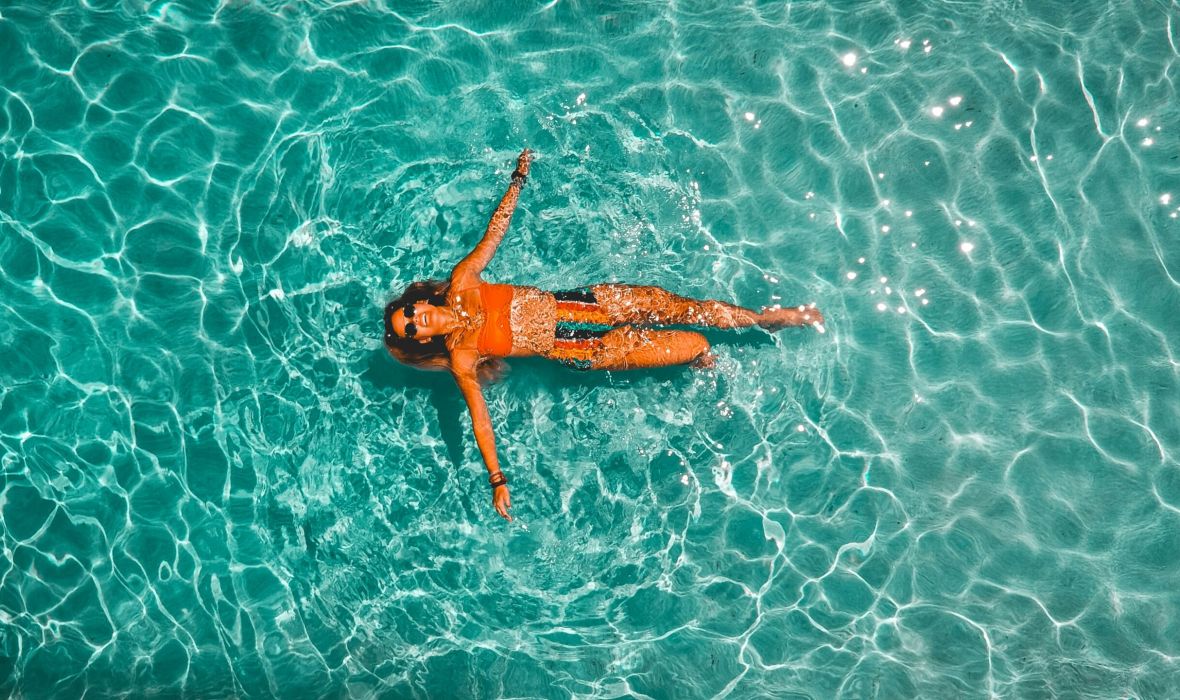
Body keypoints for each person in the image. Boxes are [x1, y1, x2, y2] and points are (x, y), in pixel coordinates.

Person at [384, 149, 823, 521]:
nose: (415, 321)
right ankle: (700, 357)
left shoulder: (463, 281)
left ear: (420, 302)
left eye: (410, 313)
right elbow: (480, 419)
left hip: (589, 302)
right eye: (410, 330)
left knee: (687, 309)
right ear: (419, 341)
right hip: (585, 347)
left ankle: (764, 320)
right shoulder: (462, 357)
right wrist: (497, 478)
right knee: (698, 344)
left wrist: (517, 180)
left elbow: (492, 236)